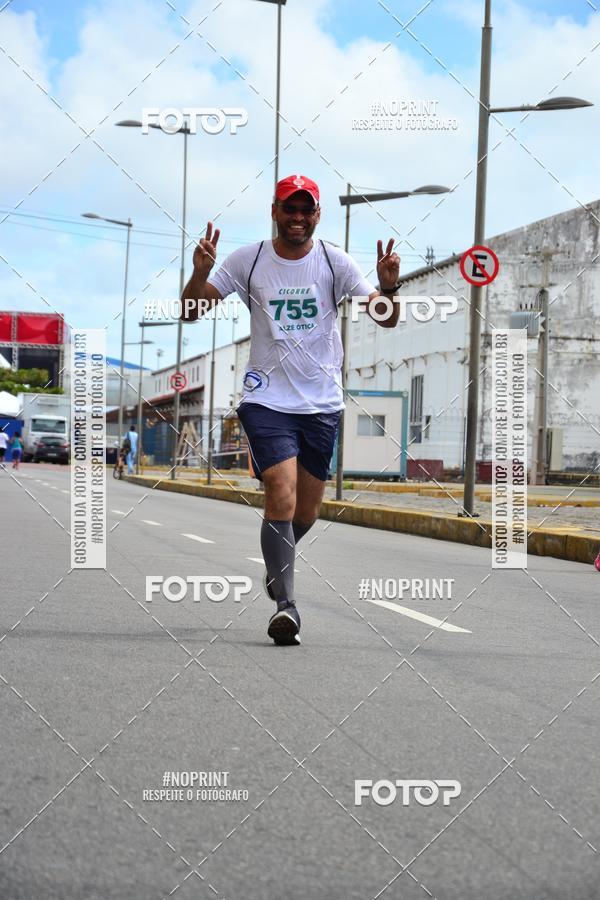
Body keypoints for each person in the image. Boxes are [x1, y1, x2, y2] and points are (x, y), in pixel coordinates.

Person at [182, 174, 400, 646]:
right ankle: (288, 606)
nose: (298, 218)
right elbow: (191, 310)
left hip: (321, 402)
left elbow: (382, 315)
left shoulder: (333, 261)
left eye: (307, 210)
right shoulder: (250, 258)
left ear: (316, 215)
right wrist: (200, 273)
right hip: (266, 398)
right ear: (275, 211)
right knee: (279, 495)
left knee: (305, 512)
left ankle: (276, 568)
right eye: (289, 209)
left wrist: (389, 289)